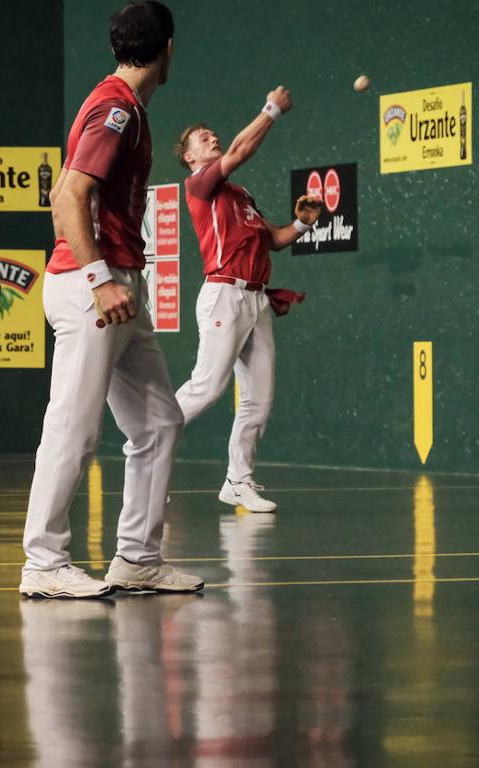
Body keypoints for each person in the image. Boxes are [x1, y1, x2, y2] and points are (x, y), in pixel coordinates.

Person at [19, 1, 202, 599]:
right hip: (94, 289)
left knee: (158, 421)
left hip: (119, 285)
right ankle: (43, 563)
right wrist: (98, 279)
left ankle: (137, 558)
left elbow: (57, 193)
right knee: (73, 427)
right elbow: (69, 196)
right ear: (169, 48)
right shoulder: (116, 109)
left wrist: (113, 279)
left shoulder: (127, 107)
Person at [172, 89, 322, 513]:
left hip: (256, 302)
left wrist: (302, 223)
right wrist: (271, 110)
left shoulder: (240, 195)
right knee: (208, 387)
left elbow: (274, 240)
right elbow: (239, 150)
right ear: (188, 157)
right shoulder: (199, 184)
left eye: (211, 134)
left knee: (259, 397)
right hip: (223, 295)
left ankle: (238, 479)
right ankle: (147, 441)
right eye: (201, 138)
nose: (211, 138)